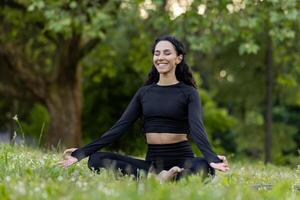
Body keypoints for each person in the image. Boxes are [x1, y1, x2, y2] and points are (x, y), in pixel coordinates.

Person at [58, 35, 229, 181]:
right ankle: (159, 177)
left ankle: (169, 177)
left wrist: (211, 157)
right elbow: (119, 127)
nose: (160, 57)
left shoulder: (189, 93)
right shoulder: (144, 93)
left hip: (183, 161)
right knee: (96, 159)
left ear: (178, 58)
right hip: (152, 164)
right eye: (157, 53)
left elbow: (197, 128)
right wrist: (82, 152)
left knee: (206, 167)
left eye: (167, 53)